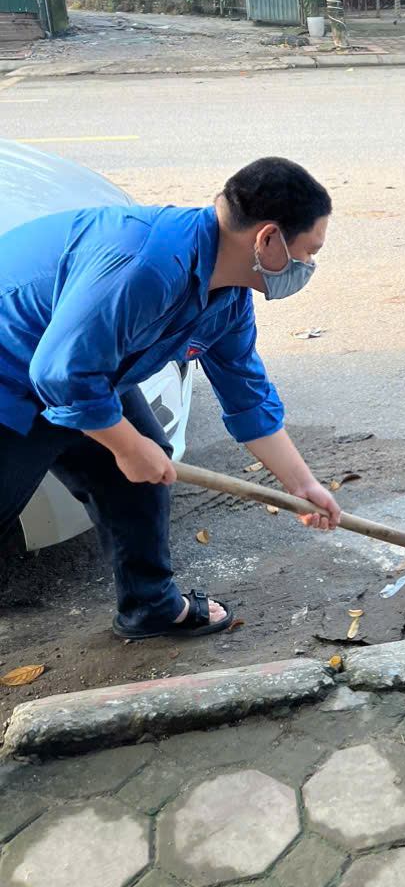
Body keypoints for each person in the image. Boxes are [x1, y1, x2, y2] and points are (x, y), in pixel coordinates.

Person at [0, 157, 342, 638]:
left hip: (80, 370)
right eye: (308, 252)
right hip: (13, 370)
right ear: (267, 238)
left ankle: (151, 607)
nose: (308, 267)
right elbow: (59, 374)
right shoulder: (149, 263)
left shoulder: (227, 298)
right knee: (130, 455)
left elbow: (247, 398)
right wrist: (126, 445)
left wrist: (301, 487)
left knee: (138, 478)